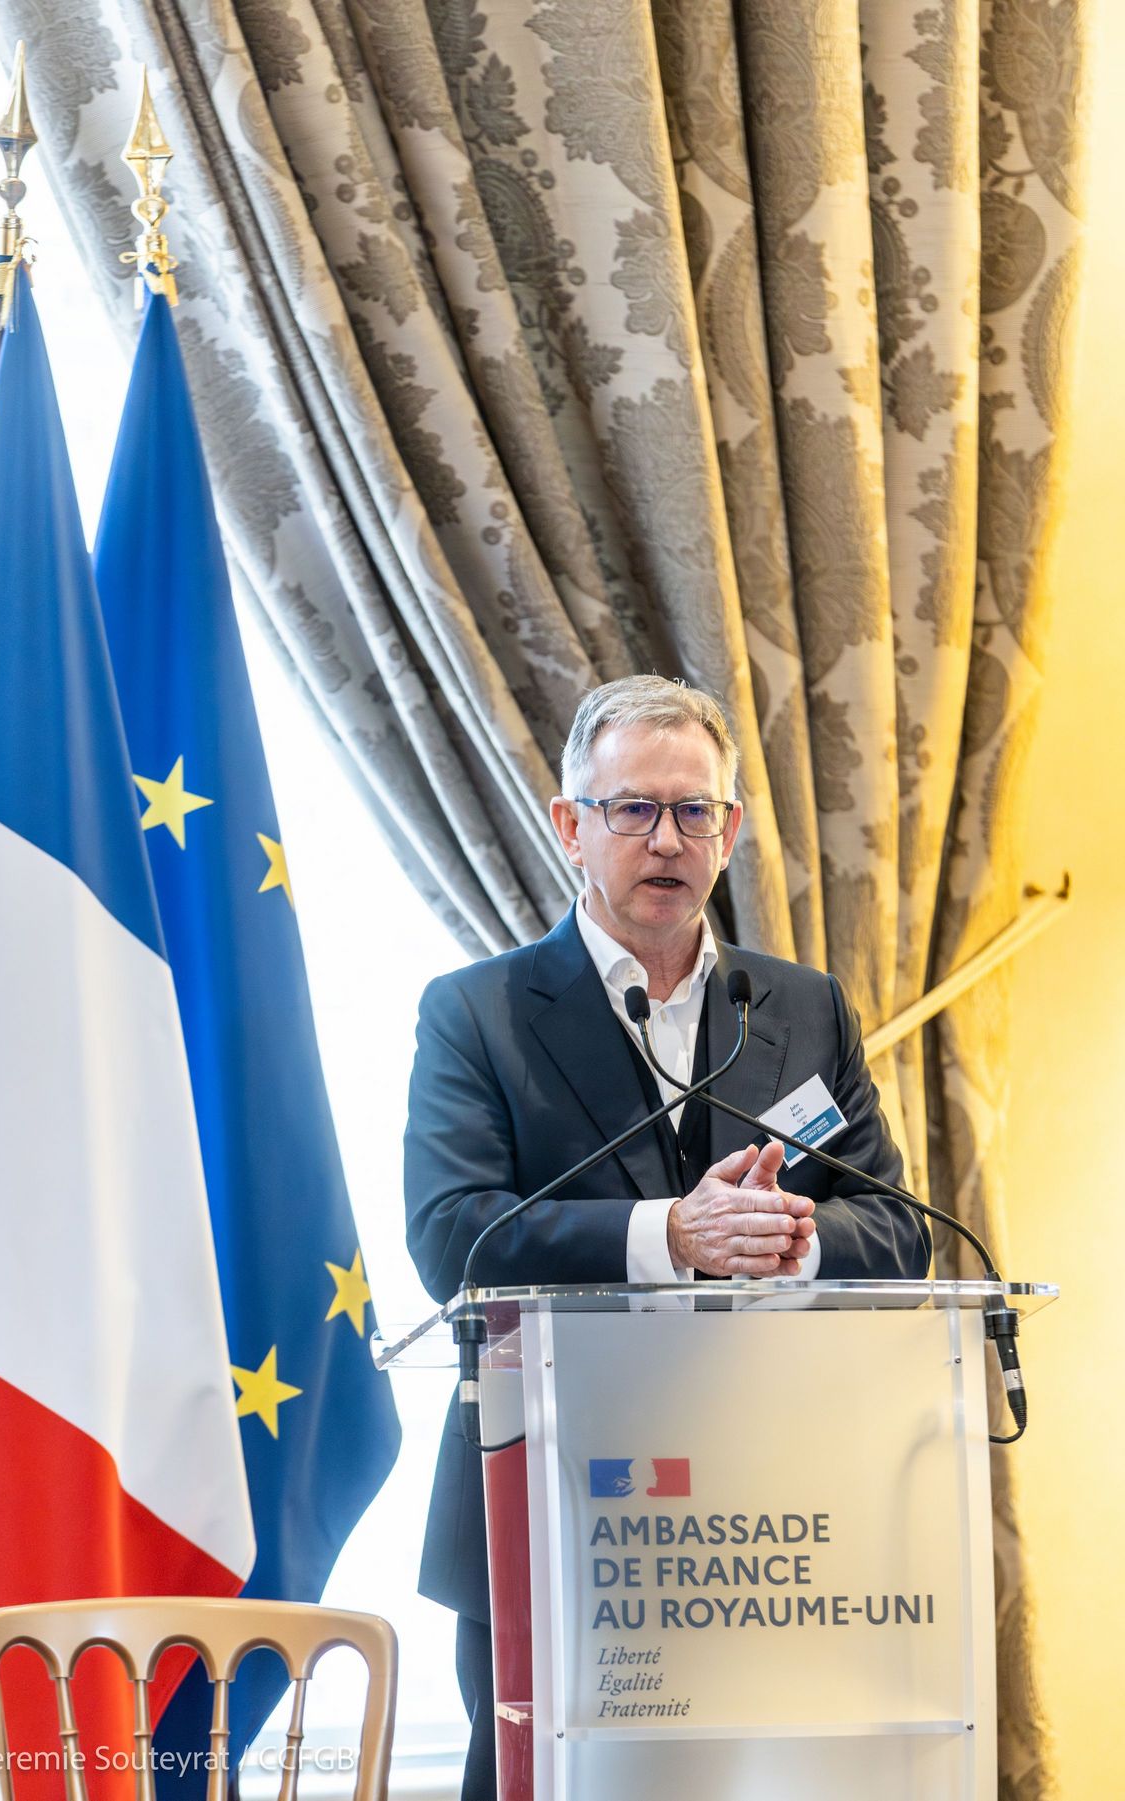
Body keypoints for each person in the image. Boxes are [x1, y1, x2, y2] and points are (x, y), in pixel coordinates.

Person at [403, 674, 929, 1800]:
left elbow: (896, 1226)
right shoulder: (479, 1011)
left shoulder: (803, 1007)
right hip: (547, 1493)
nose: (667, 838)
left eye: (695, 811)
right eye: (633, 807)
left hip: (770, 1518)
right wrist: (673, 1234)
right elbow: (453, 1236)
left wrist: (784, 1238)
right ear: (570, 826)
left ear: (729, 833)